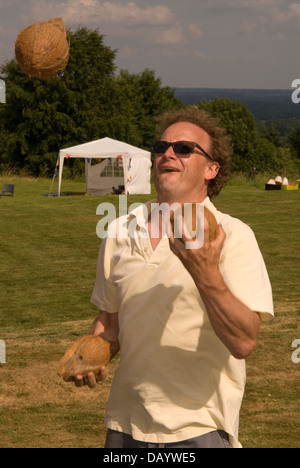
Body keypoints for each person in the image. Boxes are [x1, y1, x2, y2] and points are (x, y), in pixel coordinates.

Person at [74, 107, 274, 448]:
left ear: (212, 169)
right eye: (160, 146)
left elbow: (243, 341)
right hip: (124, 424)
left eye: (183, 148)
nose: (167, 153)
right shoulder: (121, 229)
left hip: (198, 429)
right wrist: (90, 354)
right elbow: (110, 320)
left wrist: (203, 271)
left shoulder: (233, 235)